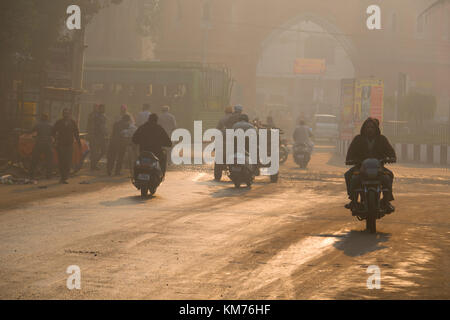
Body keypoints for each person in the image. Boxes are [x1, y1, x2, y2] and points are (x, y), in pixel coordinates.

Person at [344, 117, 396, 212]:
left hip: (378, 168)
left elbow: (391, 151)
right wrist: (349, 160)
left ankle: (386, 201)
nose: (370, 129)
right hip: (360, 168)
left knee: (388, 176)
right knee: (349, 176)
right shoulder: (358, 139)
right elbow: (350, 152)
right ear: (364, 128)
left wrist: (391, 158)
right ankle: (353, 200)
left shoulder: (382, 139)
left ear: (376, 129)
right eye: (367, 127)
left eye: (372, 127)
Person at [52, 108, 81, 184]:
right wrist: (55, 140)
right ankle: (62, 177)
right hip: (61, 145)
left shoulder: (73, 123)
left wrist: (79, 143)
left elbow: (76, 134)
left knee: (68, 162)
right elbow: (53, 131)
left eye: (67, 113)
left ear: (69, 115)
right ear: (63, 114)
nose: (66, 115)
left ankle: (65, 177)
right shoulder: (59, 122)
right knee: (61, 162)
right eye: (65, 113)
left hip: (69, 145)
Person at [30, 113, 53, 179]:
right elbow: (54, 134)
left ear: (41, 118)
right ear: (47, 118)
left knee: (34, 159)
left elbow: (31, 131)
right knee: (49, 160)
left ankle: (31, 175)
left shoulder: (38, 125)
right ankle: (49, 175)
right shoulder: (50, 125)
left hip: (39, 144)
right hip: (48, 145)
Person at [90, 104, 108, 170]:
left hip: (102, 136)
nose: (103, 110)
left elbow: (104, 126)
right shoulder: (96, 116)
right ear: (99, 109)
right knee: (96, 151)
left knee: (103, 150)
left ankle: (94, 164)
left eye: (104, 108)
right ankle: (93, 165)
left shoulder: (103, 116)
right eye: (102, 108)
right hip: (97, 136)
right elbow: (98, 126)